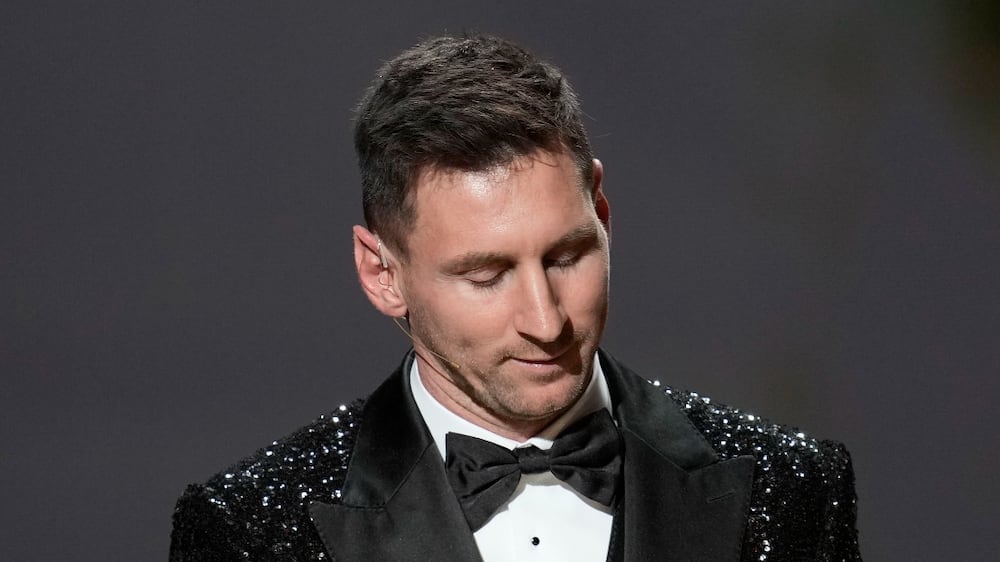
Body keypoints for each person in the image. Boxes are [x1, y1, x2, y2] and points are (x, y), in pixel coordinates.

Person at [170, 34, 861, 561]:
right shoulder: (247, 533)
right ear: (383, 274)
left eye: (567, 256)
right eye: (485, 275)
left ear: (603, 211)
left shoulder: (790, 487)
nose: (546, 319)